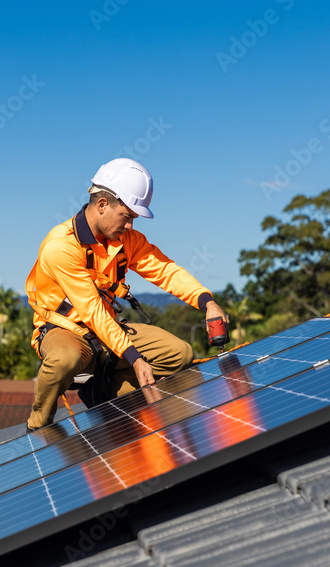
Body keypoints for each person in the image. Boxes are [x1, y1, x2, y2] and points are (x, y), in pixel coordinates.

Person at [25, 158, 229, 431]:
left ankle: (106, 395)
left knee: (179, 354)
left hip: (107, 331)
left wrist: (207, 302)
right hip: (66, 331)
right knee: (64, 361)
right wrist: (134, 358)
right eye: (128, 216)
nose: (131, 225)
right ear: (102, 205)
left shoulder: (126, 241)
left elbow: (166, 271)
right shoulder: (61, 247)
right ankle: (38, 427)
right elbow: (92, 311)